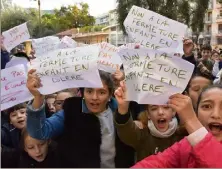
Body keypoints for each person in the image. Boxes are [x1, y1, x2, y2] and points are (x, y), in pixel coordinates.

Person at [25, 69, 135, 168]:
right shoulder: (70, 112)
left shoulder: (120, 109)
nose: (94, 97)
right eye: (89, 91)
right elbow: (39, 132)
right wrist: (38, 98)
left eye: (101, 92)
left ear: (110, 94)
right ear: (83, 93)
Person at [132, 85, 222, 168]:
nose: (215, 114)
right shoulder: (186, 146)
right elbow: (156, 163)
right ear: (196, 112)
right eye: (206, 106)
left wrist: (191, 120)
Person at [114, 81, 186, 162]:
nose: (160, 112)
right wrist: (123, 107)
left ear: (173, 111)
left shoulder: (183, 135)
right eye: (154, 108)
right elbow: (126, 133)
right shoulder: (142, 135)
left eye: (166, 107)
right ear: (148, 114)